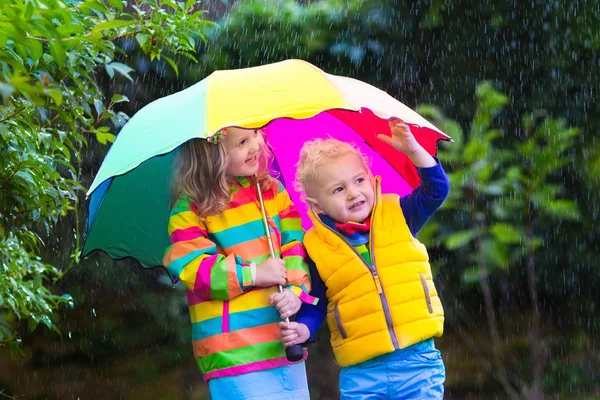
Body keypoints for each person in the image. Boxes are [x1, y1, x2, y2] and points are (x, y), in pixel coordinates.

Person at [280, 118, 449, 399]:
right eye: (338, 189)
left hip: (418, 362)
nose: (353, 193)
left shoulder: (399, 214)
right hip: (362, 373)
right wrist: (304, 328)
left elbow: (437, 190)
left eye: (359, 180)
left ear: (371, 178)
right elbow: (318, 301)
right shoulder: (316, 247)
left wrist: (413, 150)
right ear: (317, 206)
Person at [163, 127, 315, 400]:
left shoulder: (271, 191)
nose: (256, 144)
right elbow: (195, 271)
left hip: (283, 341)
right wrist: (255, 273)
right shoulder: (189, 211)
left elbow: (295, 246)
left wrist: (295, 293)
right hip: (234, 352)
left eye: (256, 133)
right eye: (242, 142)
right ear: (213, 156)